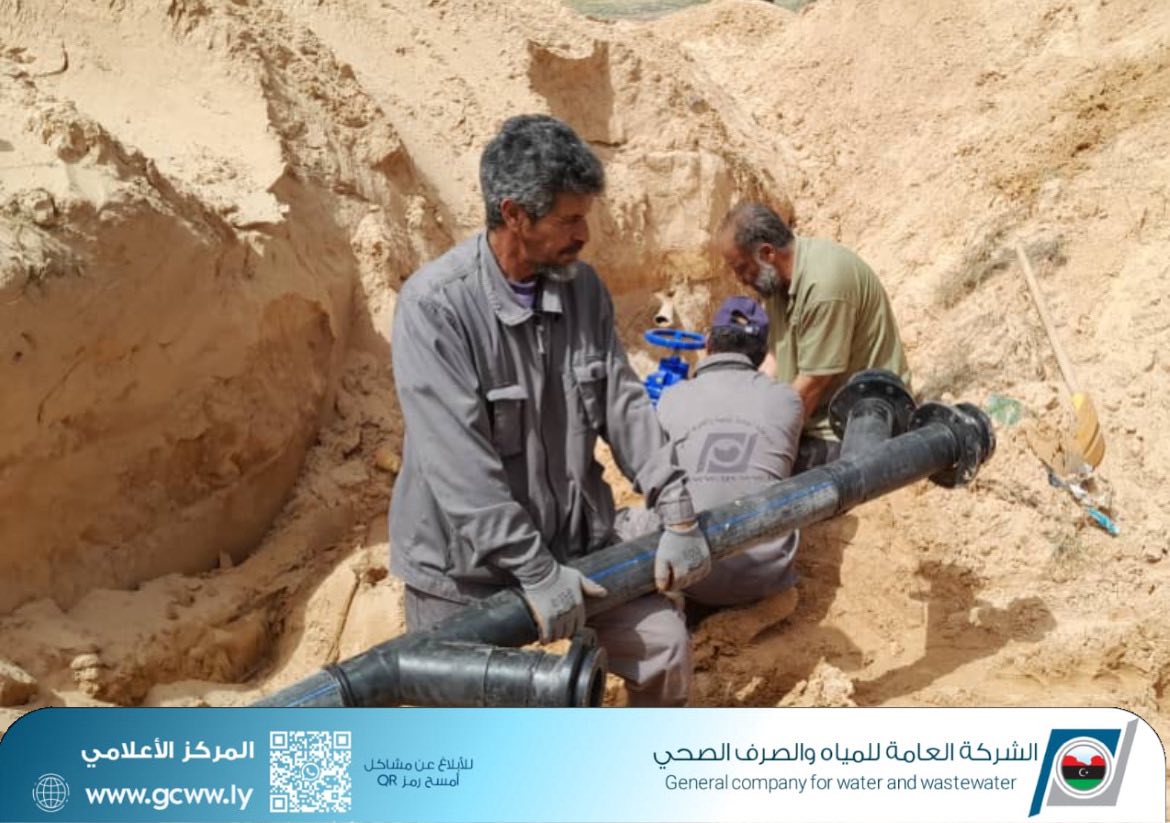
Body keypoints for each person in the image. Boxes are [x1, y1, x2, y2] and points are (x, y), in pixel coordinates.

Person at [388, 114, 711, 707]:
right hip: (462, 575)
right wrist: (533, 570)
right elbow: (458, 466)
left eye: (584, 216)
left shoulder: (581, 288)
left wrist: (679, 512)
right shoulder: (435, 308)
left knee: (663, 648)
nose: (584, 234)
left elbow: (623, 403)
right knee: (463, 721)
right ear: (514, 214)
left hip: (573, 549)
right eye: (568, 219)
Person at [617, 296, 804, 619]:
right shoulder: (787, 401)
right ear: (762, 352)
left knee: (619, 523)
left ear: (707, 343)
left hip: (690, 570)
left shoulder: (672, 398)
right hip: (767, 572)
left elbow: (653, 477)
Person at [715, 202, 912, 471]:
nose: (739, 279)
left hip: (850, 424)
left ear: (767, 253)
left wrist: (761, 441)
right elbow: (774, 359)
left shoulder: (824, 287)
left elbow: (812, 386)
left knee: (750, 470)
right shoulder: (776, 281)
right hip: (809, 412)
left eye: (741, 268)